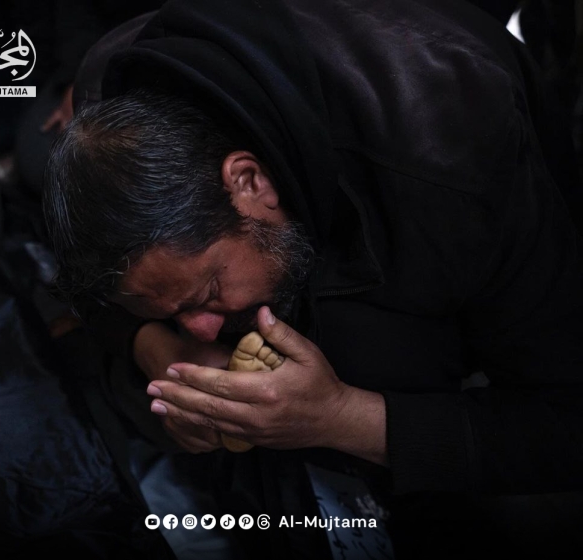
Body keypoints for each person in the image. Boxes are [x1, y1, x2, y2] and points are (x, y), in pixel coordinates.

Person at [43, 0, 583, 558]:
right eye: (171, 311)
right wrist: (156, 349)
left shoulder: (453, 147)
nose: (201, 330)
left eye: (207, 294)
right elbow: (103, 295)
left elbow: (567, 423)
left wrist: (342, 419)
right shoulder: (109, 114)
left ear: (249, 182)